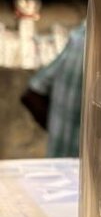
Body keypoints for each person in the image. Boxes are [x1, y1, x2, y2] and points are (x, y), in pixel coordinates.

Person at [22, 20, 86, 157]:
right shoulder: (85, 38)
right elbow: (32, 95)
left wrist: (58, 129)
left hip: (59, 163)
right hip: (78, 163)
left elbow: (32, 93)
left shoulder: (80, 37)